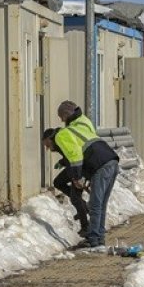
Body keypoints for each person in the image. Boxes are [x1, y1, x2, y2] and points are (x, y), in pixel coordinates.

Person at [51, 100, 120, 247]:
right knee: (101, 204)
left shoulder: (62, 134)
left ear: (65, 115)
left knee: (95, 203)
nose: (61, 120)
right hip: (111, 160)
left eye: (61, 116)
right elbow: (84, 145)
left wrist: (76, 177)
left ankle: (93, 238)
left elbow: (75, 156)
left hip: (100, 165)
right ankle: (98, 237)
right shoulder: (83, 122)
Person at [42, 127, 90, 237]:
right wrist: (61, 162)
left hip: (79, 168)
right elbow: (69, 154)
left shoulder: (59, 139)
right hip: (73, 167)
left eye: (47, 144)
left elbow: (74, 155)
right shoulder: (58, 140)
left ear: (50, 139)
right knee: (58, 182)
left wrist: (76, 178)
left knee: (75, 198)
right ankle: (84, 207)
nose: (47, 148)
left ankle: (86, 227)